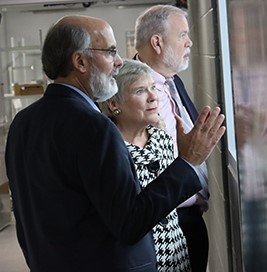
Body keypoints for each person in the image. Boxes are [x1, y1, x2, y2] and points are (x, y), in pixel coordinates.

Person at [5, 15, 225, 272]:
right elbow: (130, 222)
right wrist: (188, 161)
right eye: (110, 52)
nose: (119, 62)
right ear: (80, 61)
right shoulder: (94, 127)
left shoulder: (23, 122)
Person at [134, 5, 209, 271]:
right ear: (157, 42)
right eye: (183, 35)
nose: (189, 42)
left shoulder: (173, 82)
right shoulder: (129, 93)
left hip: (190, 217)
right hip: (162, 225)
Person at [99, 59, 191, 271]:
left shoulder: (163, 138)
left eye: (153, 88)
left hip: (176, 256)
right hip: (138, 261)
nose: (153, 97)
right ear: (114, 104)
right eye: (140, 91)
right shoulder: (109, 151)